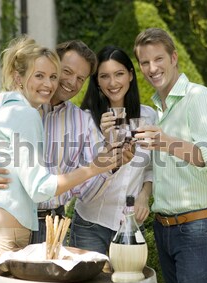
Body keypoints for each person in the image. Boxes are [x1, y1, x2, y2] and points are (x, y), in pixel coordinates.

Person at [0, 35, 121, 283]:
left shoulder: (14, 108)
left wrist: (107, 166)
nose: (51, 84)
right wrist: (94, 168)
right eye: (41, 76)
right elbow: (40, 187)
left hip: (19, 228)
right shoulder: (23, 113)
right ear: (18, 77)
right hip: (4, 235)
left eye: (52, 76)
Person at [133, 28, 207, 283]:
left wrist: (164, 142)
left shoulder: (200, 98)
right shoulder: (157, 110)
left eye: (159, 59)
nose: (152, 68)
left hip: (199, 227)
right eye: (145, 62)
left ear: (174, 58)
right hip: (165, 228)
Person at [68, 45, 158, 255]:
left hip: (131, 224)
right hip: (90, 224)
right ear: (97, 82)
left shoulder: (148, 117)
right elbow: (80, 177)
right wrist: (107, 145)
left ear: (131, 76)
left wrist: (144, 195)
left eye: (119, 74)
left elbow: (151, 167)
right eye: (105, 76)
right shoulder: (86, 119)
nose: (113, 83)